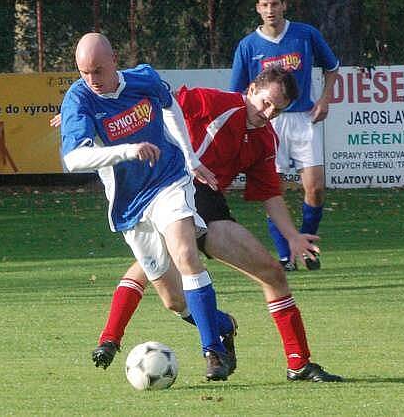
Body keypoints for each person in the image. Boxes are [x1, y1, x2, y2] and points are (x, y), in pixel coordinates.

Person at [60, 66, 342, 382]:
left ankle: (298, 363)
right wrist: (84, 118)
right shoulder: (214, 103)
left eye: (278, 109)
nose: (269, 113)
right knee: (173, 299)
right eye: (265, 103)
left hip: (207, 203)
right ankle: (217, 328)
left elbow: (269, 194)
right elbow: (158, 101)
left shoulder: (265, 139)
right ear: (251, 89)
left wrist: (291, 236)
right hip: (172, 184)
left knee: (272, 273)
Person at [60, 32, 236, 381]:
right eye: (84, 72)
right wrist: (127, 149)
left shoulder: (143, 79)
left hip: (169, 180)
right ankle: (223, 325)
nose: (92, 79)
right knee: (173, 301)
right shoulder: (78, 99)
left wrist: (190, 158)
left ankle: (213, 352)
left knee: (186, 254)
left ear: (114, 60)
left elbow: (170, 106)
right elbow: (73, 159)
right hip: (130, 203)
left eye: (98, 69)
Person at [230, 0, 340, 272]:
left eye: (275, 4)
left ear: (284, 5)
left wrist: (325, 100)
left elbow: (332, 67)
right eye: (264, 5)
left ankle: (308, 248)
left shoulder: (305, 34)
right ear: (258, 8)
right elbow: (237, 92)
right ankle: (285, 256)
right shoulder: (248, 45)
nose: (270, 10)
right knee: (273, 191)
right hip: (270, 123)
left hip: (304, 118)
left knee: (315, 189)